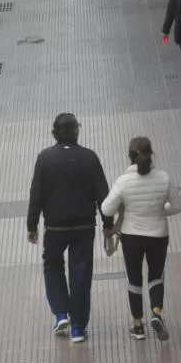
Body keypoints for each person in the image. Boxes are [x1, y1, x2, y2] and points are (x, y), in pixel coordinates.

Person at [27, 113, 115, 344]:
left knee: (52, 265)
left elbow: (36, 194)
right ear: (77, 131)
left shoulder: (45, 158)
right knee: (81, 272)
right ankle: (77, 326)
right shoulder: (89, 158)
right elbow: (103, 195)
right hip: (84, 225)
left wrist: (32, 224)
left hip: (55, 227)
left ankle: (60, 313)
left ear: (55, 133)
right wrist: (108, 224)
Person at [101, 137, 181, 341]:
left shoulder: (123, 181)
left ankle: (138, 326)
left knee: (134, 278)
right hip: (158, 235)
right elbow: (178, 205)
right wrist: (162, 209)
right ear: (151, 153)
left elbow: (106, 208)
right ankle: (156, 312)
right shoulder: (163, 178)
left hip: (131, 237)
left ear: (130, 157)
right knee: (156, 275)